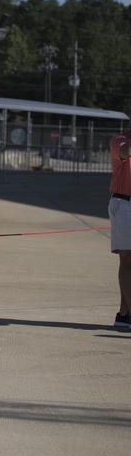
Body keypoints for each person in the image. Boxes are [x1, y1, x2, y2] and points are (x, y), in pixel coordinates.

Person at [109, 128, 131, 328]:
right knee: (127, 258)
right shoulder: (119, 140)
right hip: (124, 204)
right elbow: (125, 153)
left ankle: (124, 314)